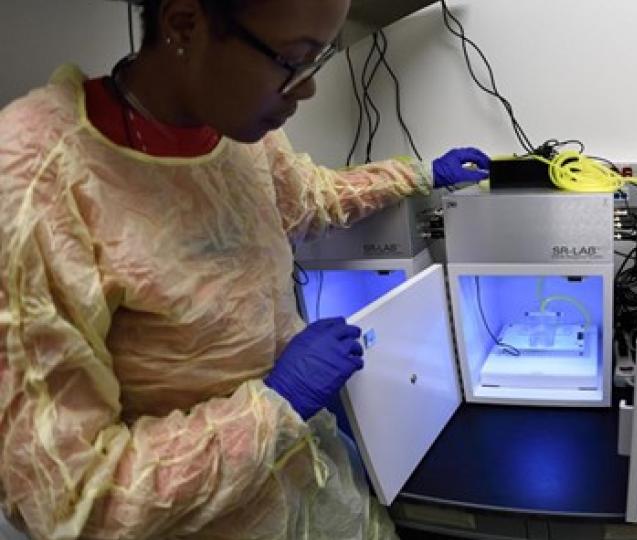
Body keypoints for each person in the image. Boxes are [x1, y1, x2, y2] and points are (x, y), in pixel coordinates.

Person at [0, 0, 490, 538]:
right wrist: (276, 406)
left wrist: (420, 175)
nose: (306, 91)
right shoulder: (35, 182)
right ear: (186, 23)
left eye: (318, 61)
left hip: (316, 489)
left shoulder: (235, 128)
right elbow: (71, 501)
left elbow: (310, 200)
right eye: (292, 61)